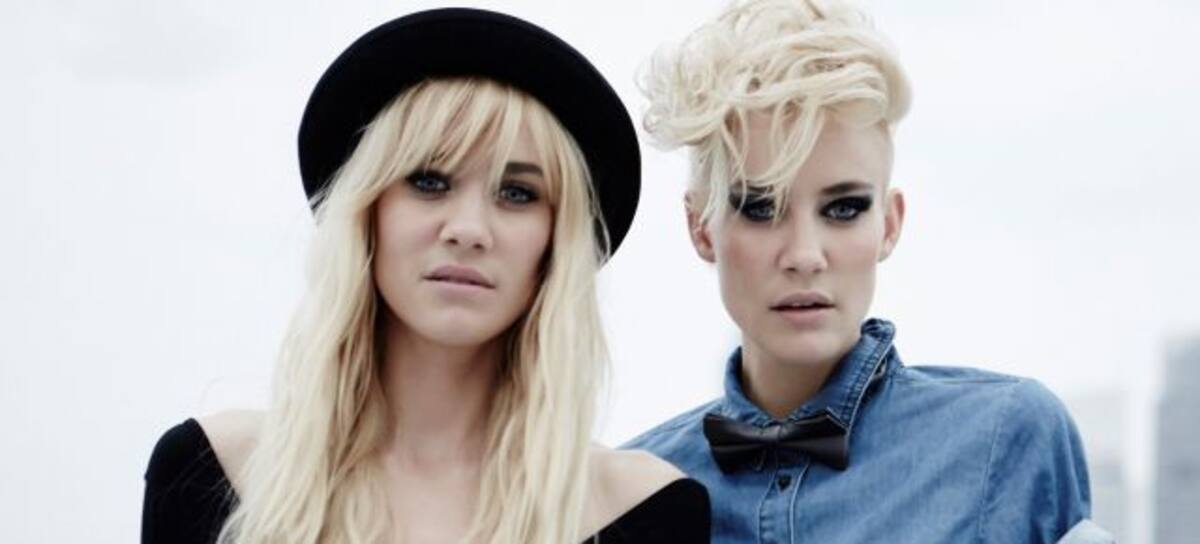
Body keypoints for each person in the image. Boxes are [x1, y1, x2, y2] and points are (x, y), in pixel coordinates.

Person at [141, 8, 709, 544]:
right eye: (429, 182)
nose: (468, 229)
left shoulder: (639, 510)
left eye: (517, 193)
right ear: (367, 212)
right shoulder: (215, 471)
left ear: (557, 242)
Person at [623, 0, 1111, 542]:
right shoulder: (627, 498)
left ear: (889, 224)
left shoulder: (1007, 438)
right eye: (760, 208)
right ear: (700, 227)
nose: (804, 254)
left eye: (843, 208)